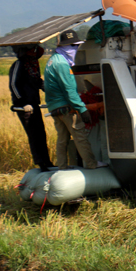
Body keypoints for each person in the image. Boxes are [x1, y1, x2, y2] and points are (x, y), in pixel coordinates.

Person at [44, 29, 101, 170]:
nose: (75, 49)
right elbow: (69, 90)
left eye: (76, 46)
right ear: (63, 47)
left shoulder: (52, 61)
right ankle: (92, 164)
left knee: (62, 140)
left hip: (54, 108)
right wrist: (82, 109)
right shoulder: (62, 65)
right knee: (80, 136)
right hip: (67, 109)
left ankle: (62, 167)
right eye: (72, 46)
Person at [9, 43, 54, 172]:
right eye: (32, 50)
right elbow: (13, 85)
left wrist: (48, 88)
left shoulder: (33, 66)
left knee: (41, 133)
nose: (34, 52)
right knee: (34, 134)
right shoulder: (19, 65)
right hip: (24, 107)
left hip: (34, 104)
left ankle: (47, 161)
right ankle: (41, 163)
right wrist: (22, 102)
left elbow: (36, 81)